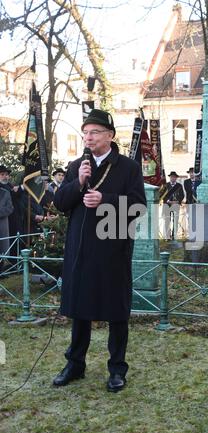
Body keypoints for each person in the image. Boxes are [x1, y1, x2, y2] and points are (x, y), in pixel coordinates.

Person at [52, 108, 146, 392]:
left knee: (116, 310)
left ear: (109, 135)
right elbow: (60, 203)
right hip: (81, 248)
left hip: (113, 248)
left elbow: (138, 206)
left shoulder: (128, 167)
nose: (88, 138)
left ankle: (117, 368)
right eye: (85, 133)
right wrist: (79, 182)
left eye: (94, 132)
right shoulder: (76, 165)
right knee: (80, 307)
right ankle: (75, 364)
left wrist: (105, 199)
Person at [162, 171, 184, 240]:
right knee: (167, 221)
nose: (173, 178)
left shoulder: (179, 186)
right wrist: (169, 201)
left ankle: (174, 236)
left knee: (175, 220)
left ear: (176, 178)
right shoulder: (166, 185)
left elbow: (182, 195)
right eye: (172, 177)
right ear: (170, 177)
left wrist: (177, 201)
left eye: (174, 177)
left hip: (176, 205)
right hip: (167, 205)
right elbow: (163, 195)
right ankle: (167, 237)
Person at [0, 185, 14, 274]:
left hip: (2, 226)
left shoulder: (5, 192)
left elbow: (10, 208)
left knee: (2, 250)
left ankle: (2, 271)